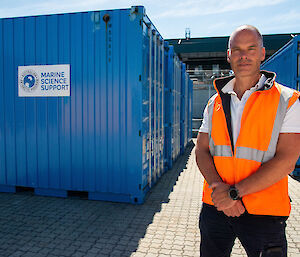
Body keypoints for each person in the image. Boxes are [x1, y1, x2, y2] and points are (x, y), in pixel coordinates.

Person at [195, 25, 300, 257]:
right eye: (237, 49)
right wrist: (218, 188)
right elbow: (201, 150)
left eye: (251, 49)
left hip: (264, 210)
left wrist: (234, 194)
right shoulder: (214, 102)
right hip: (216, 206)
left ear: (262, 53)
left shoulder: (287, 100)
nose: (244, 55)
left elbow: (287, 160)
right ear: (229, 55)